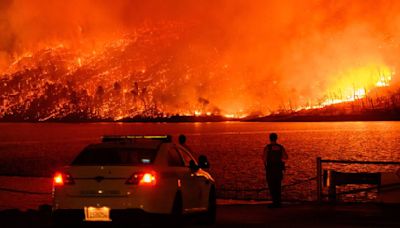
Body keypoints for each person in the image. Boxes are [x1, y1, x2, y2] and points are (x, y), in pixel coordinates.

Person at [262, 133, 288, 208]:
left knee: (272, 186)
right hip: (278, 169)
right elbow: (285, 157)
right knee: (278, 185)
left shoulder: (267, 148)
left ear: (270, 138)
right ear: (276, 138)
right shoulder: (280, 147)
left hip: (270, 169)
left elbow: (264, 158)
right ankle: (278, 202)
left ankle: (274, 202)